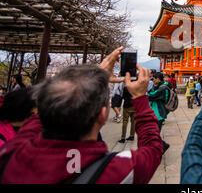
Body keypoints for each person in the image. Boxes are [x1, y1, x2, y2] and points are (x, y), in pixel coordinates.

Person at [0, 47, 163, 184]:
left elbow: (38, 118)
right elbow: (153, 148)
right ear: (102, 116)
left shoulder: (10, 153)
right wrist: (141, 99)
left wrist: (95, 75)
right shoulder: (116, 172)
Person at [147, 72, 170, 154]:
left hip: (159, 114)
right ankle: (160, 146)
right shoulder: (157, 86)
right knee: (153, 133)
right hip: (154, 113)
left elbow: (151, 95)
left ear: (158, 79)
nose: (152, 80)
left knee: (154, 134)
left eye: (154, 78)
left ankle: (163, 145)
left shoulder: (162, 88)